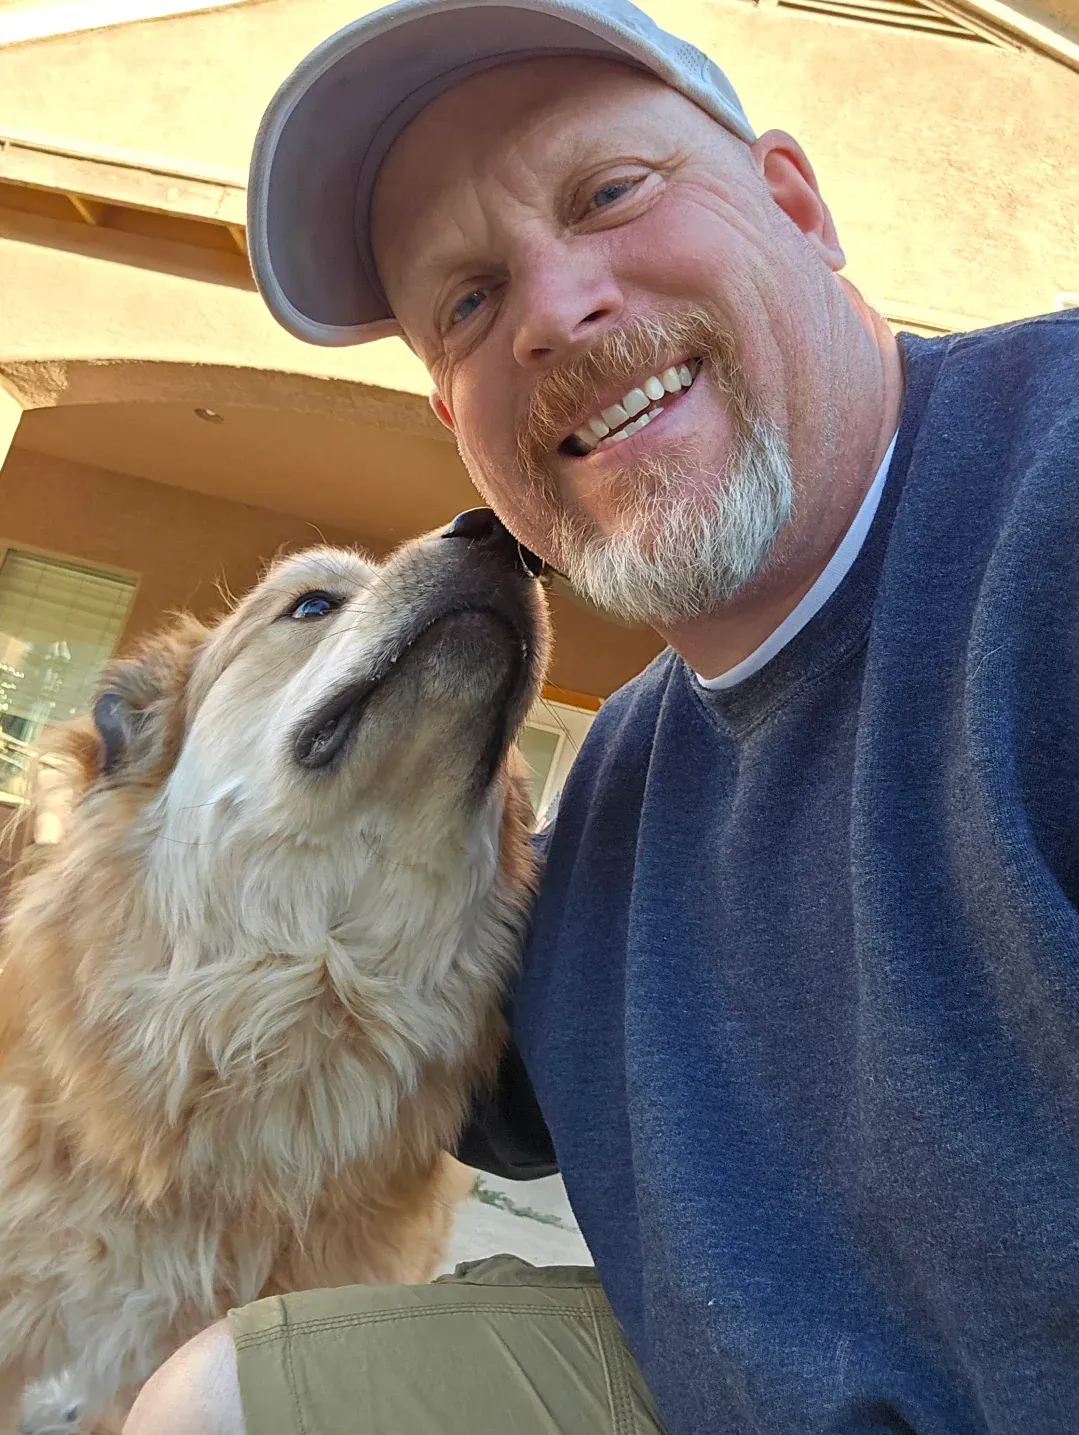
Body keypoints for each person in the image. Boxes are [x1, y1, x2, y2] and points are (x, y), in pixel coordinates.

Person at [125, 1, 1079, 1431]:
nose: (556, 309)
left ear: (793, 203)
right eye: (464, 300)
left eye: (609, 195)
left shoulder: (1049, 486)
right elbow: (347, 1054)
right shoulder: (611, 823)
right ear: (455, 419)